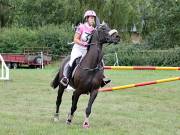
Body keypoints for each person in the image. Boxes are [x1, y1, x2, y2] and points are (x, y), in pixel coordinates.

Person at [60, 10, 110, 87]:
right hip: (78, 49)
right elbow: (75, 39)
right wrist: (83, 43)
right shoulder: (81, 27)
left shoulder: (94, 30)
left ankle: (101, 78)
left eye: (93, 18)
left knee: (100, 60)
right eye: (91, 18)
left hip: (87, 50)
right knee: (72, 61)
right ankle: (66, 78)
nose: (92, 19)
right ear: (87, 18)